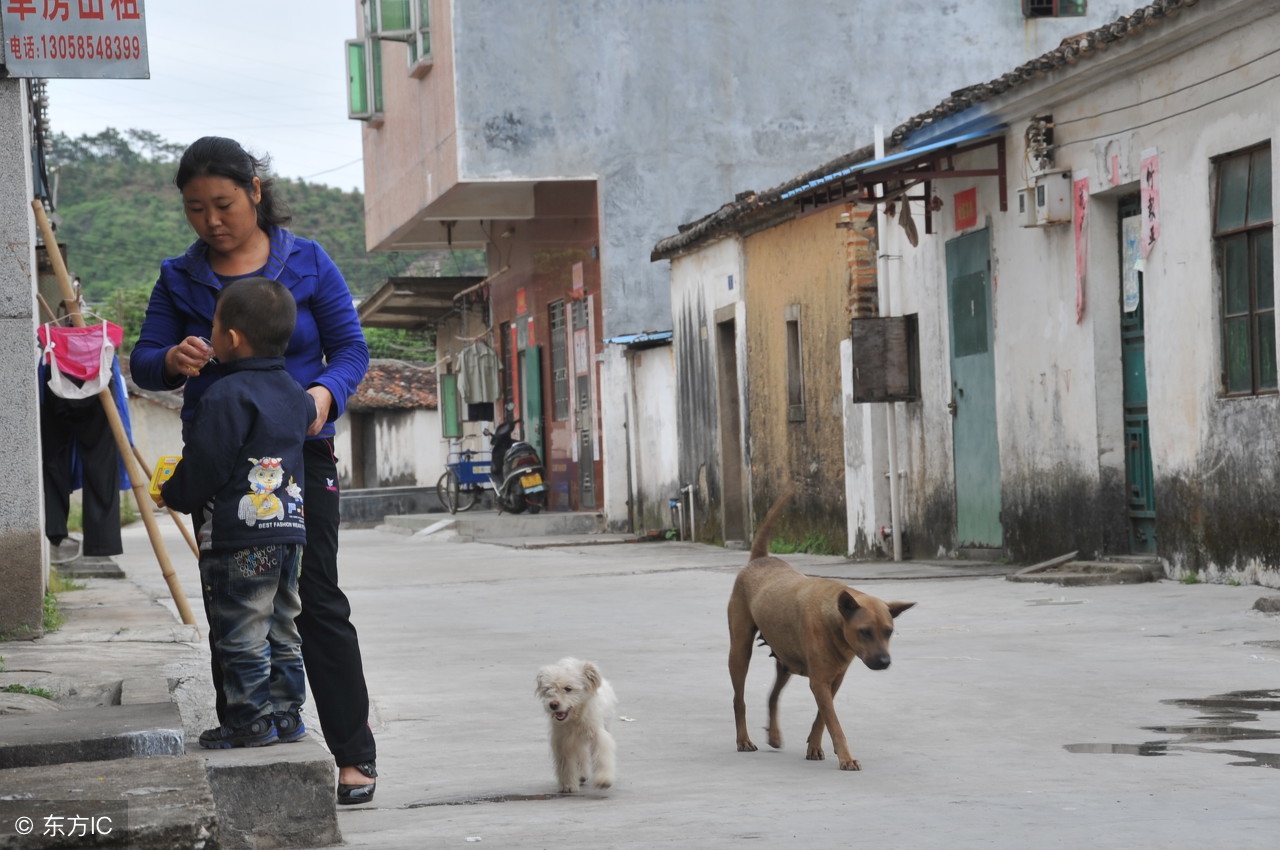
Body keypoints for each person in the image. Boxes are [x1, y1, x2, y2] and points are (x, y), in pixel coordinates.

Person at [130, 137, 377, 803]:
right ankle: (251, 724)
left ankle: (353, 753)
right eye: (195, 209)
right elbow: (143, 358)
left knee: (315, 598)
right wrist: (172, 361)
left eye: (223, 204)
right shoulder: (180, 277)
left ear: (255, 193)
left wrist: (325, 395)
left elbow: (351, 347)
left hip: (303, 456)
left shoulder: (309, 262)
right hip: (223, 464)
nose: (211, 220)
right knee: (233, 601)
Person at [159, 277, 314, 749]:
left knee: (240, 631)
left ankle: (248, 721)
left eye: (213, 326)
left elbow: (206, 462)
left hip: (239, 540)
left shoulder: (223, 396)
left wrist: (175, 492)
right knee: (283, 627)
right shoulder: (297, 395)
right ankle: (286, 715)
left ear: (230, 339)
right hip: (290, 533)